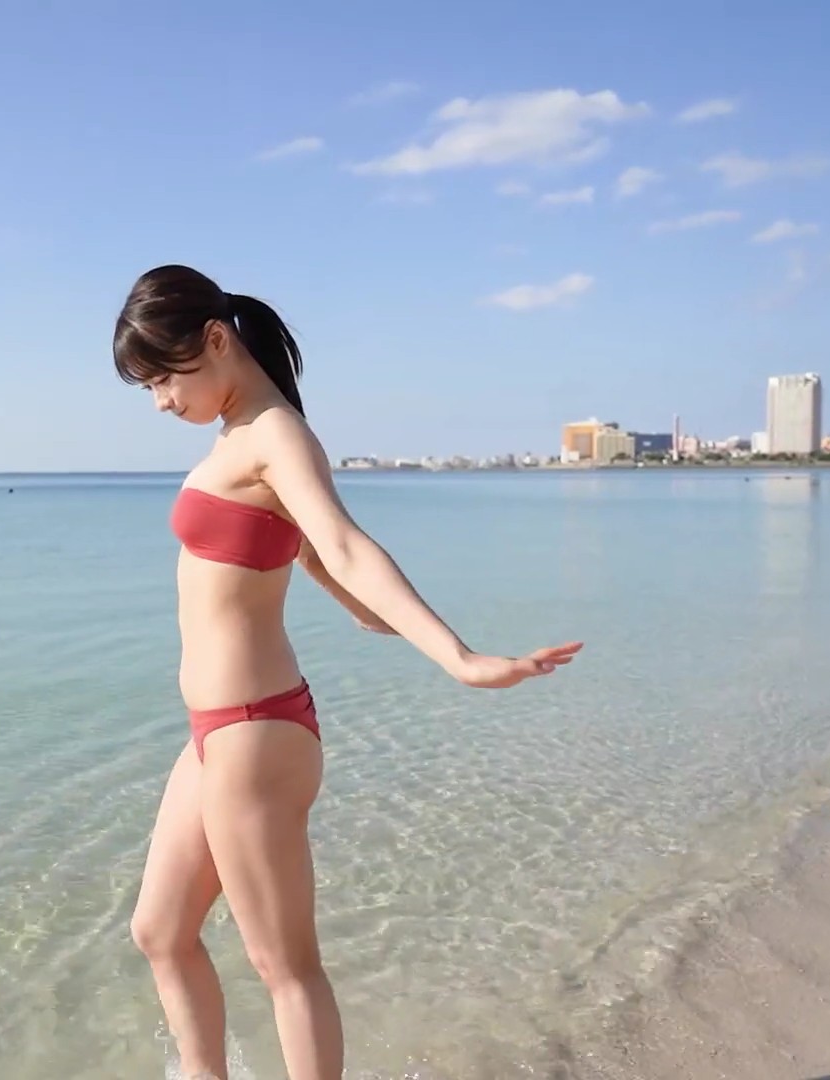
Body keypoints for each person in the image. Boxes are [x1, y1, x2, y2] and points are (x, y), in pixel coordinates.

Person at [112, 263, 585, 1080]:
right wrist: (357, 601)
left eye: (162, 379)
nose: (159, 401)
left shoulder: (276, 434)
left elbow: (345, 545)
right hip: (215, 735)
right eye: (148, 386)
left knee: (285, 967)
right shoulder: (238, 434)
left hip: (256, 731)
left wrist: (461, 658)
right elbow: (331, 572)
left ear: (215, 340)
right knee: (159, 931)